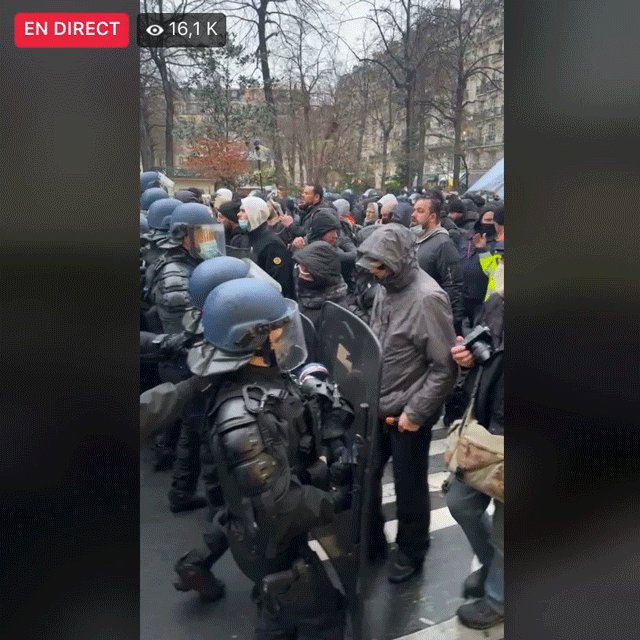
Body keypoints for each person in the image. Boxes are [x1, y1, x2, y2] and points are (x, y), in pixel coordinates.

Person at [168, 278, 353, 638]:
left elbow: (281, 447)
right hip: (272, 544)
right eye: (278, 330)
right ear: (254, 340)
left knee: (278, 612)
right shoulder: (242, 420)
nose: (285, 336)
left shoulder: (250, 381)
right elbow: (282, 508)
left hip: (257, 532)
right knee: (325, 617)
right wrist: (336, 499)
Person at [356, 224, 457, 583]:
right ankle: (373, 543)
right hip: (377, 403)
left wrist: (415, 414)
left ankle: (412, 550)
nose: (373, 272)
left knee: (408, 485)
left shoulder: (428, 298)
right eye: (371, 264)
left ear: (397, 261)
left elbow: (445, 367)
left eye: (380, 266)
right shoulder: (386, 286)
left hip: (407, 412)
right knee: (364, 475)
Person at [446, 265, 504, 630]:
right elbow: (486, 342)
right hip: (486, 426)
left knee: (506, 530)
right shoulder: (500, 298)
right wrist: (470, 354)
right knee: (461, 503)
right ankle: (493, 568)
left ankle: (499, 599)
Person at [411, 196, 465, 334]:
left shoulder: (443, 244)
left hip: (434, 321)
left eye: (420, 211)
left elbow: (454, 286)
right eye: (414, 210)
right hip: (417, 317)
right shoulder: (417, 238)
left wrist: (442, 320)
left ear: (432, 216)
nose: (413, 215)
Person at [238, 196, 297, 299]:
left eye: (243, 211)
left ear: (255, 214)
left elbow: (280, 282)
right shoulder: (245, 239)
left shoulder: (272, 244)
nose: (238, 214)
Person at [292, 241, 349, 325]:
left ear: (320, 275)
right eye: (299, 267)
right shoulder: (306, 295)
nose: (300, 274)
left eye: (305, 271)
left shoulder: (335, 317)